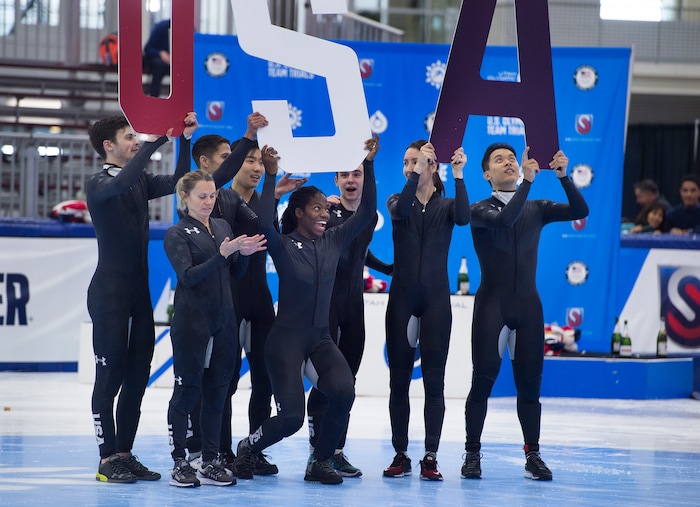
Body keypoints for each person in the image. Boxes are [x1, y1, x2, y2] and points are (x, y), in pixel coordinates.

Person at [233, 137, 378, 485]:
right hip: (285, 341)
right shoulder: (282, 246)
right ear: (299, 213)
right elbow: (265, 222)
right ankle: (248, 446)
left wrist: (370, 165)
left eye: (325, 210)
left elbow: (368, 213)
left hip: (320, 339)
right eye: (317, 209)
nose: (324, 214)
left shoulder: (333, 239)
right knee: (291, 419)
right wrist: (270, 177)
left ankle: (320, 461)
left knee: (345, 391)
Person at [462, 143, 588, 482]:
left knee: (530, 388)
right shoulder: (478, 210)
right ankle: (472, 454)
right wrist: (529, 183)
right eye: (499, 160)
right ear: (487, 174)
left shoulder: (538, 207)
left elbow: (579, 208)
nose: (509, 163)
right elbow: (505, 219)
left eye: (512, 158)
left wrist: (562, 176)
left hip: (528, 307)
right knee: (482, 383)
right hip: (493, 306)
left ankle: (533, 455)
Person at [86, 111, 198, 483]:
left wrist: (182, 139)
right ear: (108, 146)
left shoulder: (138, 181)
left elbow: (180, 180)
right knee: (109, 379)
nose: (135, 140)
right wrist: (155, 142)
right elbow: (125, 181)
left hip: (138, 295)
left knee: (137, 378)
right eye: (128, 136)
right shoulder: (98, 183)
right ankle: (106, 460)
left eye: (136, 137)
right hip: (110, 296)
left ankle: (124, 453)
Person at [164, 169, 266, 487]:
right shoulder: (177, 233)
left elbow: (234, 275)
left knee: (217, 394)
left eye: (212, 196)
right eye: (202, 196)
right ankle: (180, 461)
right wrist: (223, 255)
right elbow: (188, 276)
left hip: (224, 322)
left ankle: (210, 460)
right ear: (185, 197)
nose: (209, 202)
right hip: (192, 324)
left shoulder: (222, 225)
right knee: (187, 392)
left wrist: (243, 256)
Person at [383, 140, 470, 481]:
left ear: (433, 166)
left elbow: (463, 218)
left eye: (416, 161)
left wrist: (459, 174)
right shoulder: (396, 199)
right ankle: (400, 453)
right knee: (399, 382)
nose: (409, 167)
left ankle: (430, 455)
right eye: (406, 162)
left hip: (436, 301)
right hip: (402, 300)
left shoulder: (447, 205)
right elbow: (401, 211)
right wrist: (416, 173)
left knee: (435, 382)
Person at [306, 136, 391, 478]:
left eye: (357, 173)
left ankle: (336, 451)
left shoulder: (367, 218)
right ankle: (317, 452)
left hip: (354, 308)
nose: (352, 180)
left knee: (348, 382)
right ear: (336, 182)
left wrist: (388, 269)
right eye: (345, 175)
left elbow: (359, 252)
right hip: (326, 310)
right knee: (325, 382)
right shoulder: (325, 213)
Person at [223, 138, 306, 477]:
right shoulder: (218, 201)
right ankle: (221, 451)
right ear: (233, 165)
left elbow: (265, 226)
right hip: (229, 301)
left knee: (263, 380)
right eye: (249, 161)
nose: (257, 168)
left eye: (261, 162)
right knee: (224, 382)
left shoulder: (262, 199)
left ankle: (252, 450)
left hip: (259, 301)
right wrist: (273, 194)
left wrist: (275, 193)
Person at [143, 19, 170, 97]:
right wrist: (160, 53)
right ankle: (154, 97)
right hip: (161, 63)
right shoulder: (161, 27)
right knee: (159, 65)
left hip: (179, 63)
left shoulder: (189, 30)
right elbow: (148, 48)